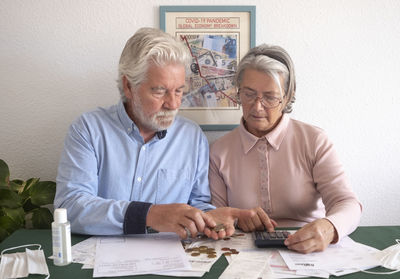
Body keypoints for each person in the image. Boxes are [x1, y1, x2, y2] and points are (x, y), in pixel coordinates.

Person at [54, 27, 249, 240]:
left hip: (170, 260)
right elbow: (70, 207)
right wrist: (148, 214)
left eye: (179, 91)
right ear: (128, 86)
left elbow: (196, 204)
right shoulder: (89, 130)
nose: (173, 104)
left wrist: (211, 220)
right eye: (159, 91)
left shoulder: (192, 137)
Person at [209, 44, 362, 253]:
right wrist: (235, 218)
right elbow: (216, 216)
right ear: (238, 92)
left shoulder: (314, 140)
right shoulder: (219, 150)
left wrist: (329, 228)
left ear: (287, 97)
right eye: (249, 94)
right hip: (244, 252)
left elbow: (347, 203)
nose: (257, 106)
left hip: (308, 249)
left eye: (270, 97)